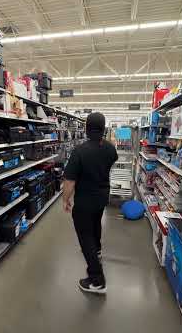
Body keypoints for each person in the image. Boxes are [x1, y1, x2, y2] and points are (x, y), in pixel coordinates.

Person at [63, 112, 118, 294]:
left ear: (87, 128)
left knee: (85, 235)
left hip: (85, 200)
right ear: (103, 128)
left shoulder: (80, 151)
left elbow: (70, 181)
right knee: (95, 224)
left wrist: (66, 200)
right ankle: (98, 250)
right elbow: (111, 160)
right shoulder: (111, 149)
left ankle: (97, 281)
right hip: (102, 197)